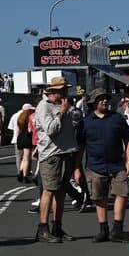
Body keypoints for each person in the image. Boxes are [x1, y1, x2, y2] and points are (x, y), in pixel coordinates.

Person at [83, 91, 129, 243]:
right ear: (94, 102)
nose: (105, 101)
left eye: (106, 98)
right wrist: (76, 168)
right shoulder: (86, 122)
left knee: (123, 193)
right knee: (100, 197)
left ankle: (117, 229)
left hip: (117, 165)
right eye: (101, 99)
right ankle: (103, 229)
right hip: (95, 165)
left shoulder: (117, 118)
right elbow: (80, 146)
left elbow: (127, 139)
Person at [34, 76, 80, 242]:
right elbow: (50, 130)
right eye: (64, 89)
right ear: (55, 91)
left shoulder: (63, 105)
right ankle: (43, 227)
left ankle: (57, 226)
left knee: (61, 192)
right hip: (51, 154)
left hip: (65, 152)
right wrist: (61, 113)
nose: (67, 92)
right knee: (49, 190)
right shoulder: (44, 106)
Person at [14, 104, 35, 183]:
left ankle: (20, 171)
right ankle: (25, 176)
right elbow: (30, 130)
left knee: (23, 157)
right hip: (27, 138)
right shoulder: (30, 118)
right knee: (26, 158)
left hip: (20, 137)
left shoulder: (20, 117)